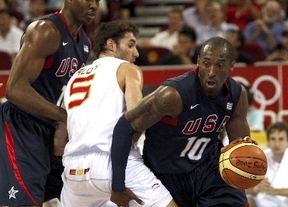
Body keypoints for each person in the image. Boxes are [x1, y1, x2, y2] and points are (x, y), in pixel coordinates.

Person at [111, 36, 255, 207]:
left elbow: (241, 149)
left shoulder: (237, 95)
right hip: (166, 172)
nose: (211, 71)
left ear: (232, 65)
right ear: (198, 61)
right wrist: (118, 184)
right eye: (207, 63)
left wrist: (248, 159)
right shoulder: (172, 95)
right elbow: (124, 127)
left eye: (220, 65)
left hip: (208, 169)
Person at [60, 19, 177, 207]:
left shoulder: (74, 78)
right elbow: (135, 119)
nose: (136, 53)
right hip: (112, 161)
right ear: (110, 44)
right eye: (130, 45)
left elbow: (60, 136)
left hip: (73, 171)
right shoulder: (127, 69)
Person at [0, 0, 98, 206]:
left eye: (97, 1)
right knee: (24, 201)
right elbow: (14, 89)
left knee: (82, 193)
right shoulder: (45, 31)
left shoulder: (85, 43)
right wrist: (63, 117)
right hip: (23, 126)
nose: (94, 5)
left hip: (51, 128)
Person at [246, 121, 288, 207]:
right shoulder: (260, 158)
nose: (276, 144)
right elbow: (247, 189)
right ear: (268, 141)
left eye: (281, 139)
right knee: (247, 200)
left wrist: (273, 191)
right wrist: (256, 189)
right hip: (262, 202)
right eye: (273, 139)